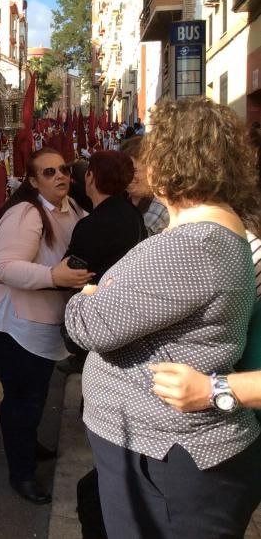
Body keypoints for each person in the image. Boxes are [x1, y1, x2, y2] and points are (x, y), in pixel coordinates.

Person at [64, 97, 261, 538]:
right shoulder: (209, 232)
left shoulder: (193, 245)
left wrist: (86, 296)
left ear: (169, 161)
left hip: (170, 460)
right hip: (167, 456)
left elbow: (85, 326)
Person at [0, 148, 92, 504]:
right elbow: (4, 266)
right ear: (33, 181)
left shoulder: (73, 208)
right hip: (5, 318)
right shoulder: (26, 214)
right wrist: (54, 275)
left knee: (34, 390)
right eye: (49, 172)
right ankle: (21, 472)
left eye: (64, 169)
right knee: (25, 394)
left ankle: (27, 443)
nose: (60, 176)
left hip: (40, 313)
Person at [65, 150, 145, 282]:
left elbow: (70, 273)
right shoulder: (132, 213)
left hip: (97, 296)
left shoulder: (91, 225)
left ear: (90, 177)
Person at [120, 135, 169, 236]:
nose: (127, 176)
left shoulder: (159, 204)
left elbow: (137, 240)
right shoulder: (123, 199)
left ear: (152, 171)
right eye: (123, 170)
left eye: (133, 170)